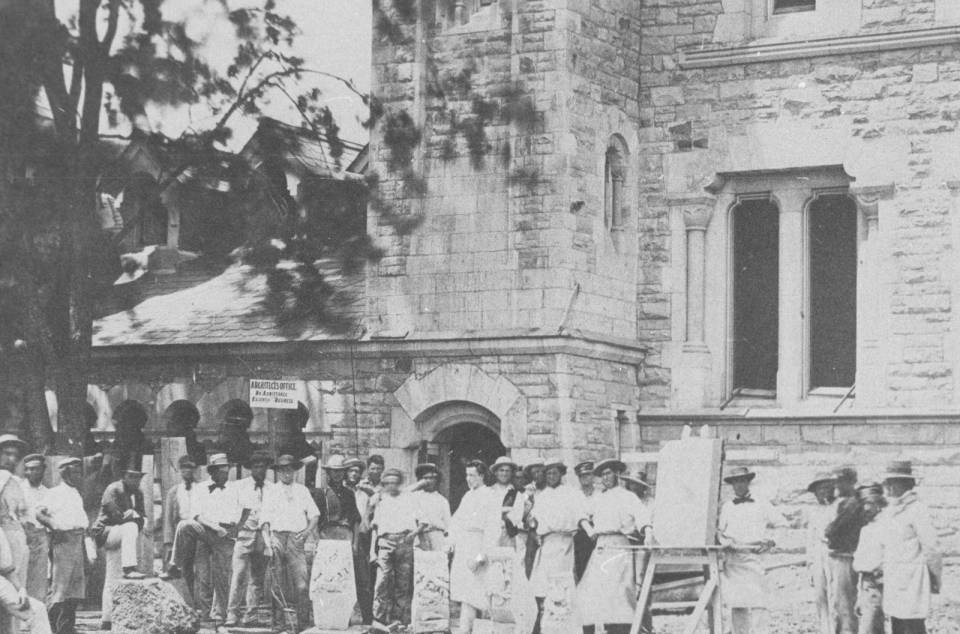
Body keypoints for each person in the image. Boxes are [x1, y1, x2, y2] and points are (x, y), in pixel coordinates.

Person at [577, 458, 652, 634]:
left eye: (608, 473)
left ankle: (623, 630)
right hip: (601, 547)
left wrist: (647, 533)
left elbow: (642, 517)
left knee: (619, 595)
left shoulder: (628, 496)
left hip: (620, 547)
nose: (605, 478)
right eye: (602, 475)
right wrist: (589, 529)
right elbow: (581, 514)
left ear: (617, 474)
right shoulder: (598, 498)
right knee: (589, 592)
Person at [716, 465, 787, 634]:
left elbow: (782, 524)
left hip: (755, 557)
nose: (739, 485)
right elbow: (719, 532)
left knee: (758, 602)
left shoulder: (762, 503)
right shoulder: (727, 507)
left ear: (748, 482)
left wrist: (771, 541)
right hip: (734, 559)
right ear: (732, 485)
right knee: (737, 602)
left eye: (742, 481)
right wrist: (726, 542)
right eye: (735, 482)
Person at [879, 461, 941, 634]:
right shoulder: (890, 511)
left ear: (906, 484)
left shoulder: (918, 510)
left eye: (894, 482)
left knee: (913, 624)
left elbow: (932, 548)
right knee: (897, 622)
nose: (889, 487)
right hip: (893, 576)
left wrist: (935, 577)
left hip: (913, 578)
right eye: (887, 482)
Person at [263, 455, 320, 630]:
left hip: (296, 540)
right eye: (283, 470)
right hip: (277, 538)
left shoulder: (302, 490)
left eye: (289, 470)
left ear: (294, 471)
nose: (286, 473)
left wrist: (306, 533)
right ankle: (278, 624)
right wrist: (267, 544)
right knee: (277, 583)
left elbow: (315, 515)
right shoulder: (271, 491)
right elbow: (265, 521)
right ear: (278, 472)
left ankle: (302, 624)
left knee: (302, 584)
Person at [528, 459, 583, 634]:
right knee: (542, 585)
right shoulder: (542, 495)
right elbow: (534, 519)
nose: (551, 476)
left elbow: (581, 516)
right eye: (549, 473)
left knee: (562, 585)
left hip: (564, 543)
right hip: (547, 543)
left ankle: (564, 626)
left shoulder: (571, 493)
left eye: (555, 473)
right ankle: (544, 625)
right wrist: (533, 523)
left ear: (561, 474)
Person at [225, 451, 275, 628]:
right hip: (244, 534)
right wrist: (236, 528)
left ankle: (251, 614)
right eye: (256, 466)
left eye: (263, 466)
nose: (260, 469)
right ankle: (232, 613)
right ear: (250, 468)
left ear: (267, 468)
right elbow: (231, 509)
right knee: (238, 574)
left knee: (257, 577)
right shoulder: (239, 486)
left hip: (262, 535)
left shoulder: (272, 487)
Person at [93, 468, 147, 629]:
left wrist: (134, 515)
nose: (135, 481)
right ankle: (129, 567)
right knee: (130, 526)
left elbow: (142, 519)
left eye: (138, 477)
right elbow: (116, 516)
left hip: (121, 535)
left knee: (112, 576)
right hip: (106, 533)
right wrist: (132, 515)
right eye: (131, 477)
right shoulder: (113, 489)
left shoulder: (138, 493)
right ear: (124, 476)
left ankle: (107, 619)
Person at [194, 453, 239, 627]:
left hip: (225, 535)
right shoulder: (201, 488)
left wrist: (234, 526)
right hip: (205, 533)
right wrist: (214, 527)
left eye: (227, 470)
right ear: (212, 471)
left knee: (223, 576)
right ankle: (206, 616)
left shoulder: (233, 489)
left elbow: (242, 509)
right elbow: (197, 515)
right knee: (204, 576)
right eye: (222, 470)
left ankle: (221, 614)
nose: (225, 474)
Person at [45, 458, 88, 634]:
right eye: (74, 472)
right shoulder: (55, 493)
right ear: (65, 474)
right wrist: (56, 527)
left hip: (78, 540)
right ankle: (51, 628)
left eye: (79, 472)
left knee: (75, 588)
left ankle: (67, 628)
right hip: (63, 541)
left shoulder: (75, 492)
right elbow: (40, 513)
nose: (78, 476)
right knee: (60, 587)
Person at [371, 468, 416, 631]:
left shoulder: (408, 499)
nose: (391, 485)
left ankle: (399, 621)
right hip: (385, 542)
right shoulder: (381, 501)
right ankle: (379, 620)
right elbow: (375, 528)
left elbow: (420, 521)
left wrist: (411, 536)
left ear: (400, 483)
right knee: (382, 582)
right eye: (388, 482)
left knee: (403, 584)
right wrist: (372, 551)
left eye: (394, 482)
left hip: (404, 542)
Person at [448, 460, 489, 634]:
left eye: (472, 475)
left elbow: (492, 529)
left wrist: (481, 557)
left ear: (482, 475)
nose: (468, 479)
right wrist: (451, 542)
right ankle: (465, 630)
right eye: (467, 475)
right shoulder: (468, 496)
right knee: (466, 593)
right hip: (465, 546)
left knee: (480, 594)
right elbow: (456, 522)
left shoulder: (489, 495)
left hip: (478, 547)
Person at [825, 466, 864, 634]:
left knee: (844, 603)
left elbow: (831, 531)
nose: (837, 485)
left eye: (841, 481)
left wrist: (828, 531)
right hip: (840, 556)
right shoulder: (845, 503)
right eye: (836, 481)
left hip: (846, 557)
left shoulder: (852, 504)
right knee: (839, 602)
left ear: (851, 482)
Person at [162, 455, 204, 599]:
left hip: (199, 532)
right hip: (181, 535)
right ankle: (188, 601)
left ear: (194, 470)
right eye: (184, 468)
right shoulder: (174, 491)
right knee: (184, 569)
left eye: (190, 468)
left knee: (201, 568)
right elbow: (168, 519)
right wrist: (168, 543)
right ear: (180, 470)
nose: (187, 471)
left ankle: (201, 602)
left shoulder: (202, 489)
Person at [852, 483, 886, 634]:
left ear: (879, 504)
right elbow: (861, 567)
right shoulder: (865, 529)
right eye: (863, 504)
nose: (865, 509)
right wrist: (860, 597)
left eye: (869, 503)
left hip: (879, 584)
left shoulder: (887, 526)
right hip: (866, 584)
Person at [805, 472, 836, 634]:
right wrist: (810, 563)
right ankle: (825, 629)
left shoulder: (839, 508)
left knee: (836, 594)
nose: (823, 493)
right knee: (820, 595)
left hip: (834, 554)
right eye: (819, 490)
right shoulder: (813, 512)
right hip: (818, 555)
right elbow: (810, 539)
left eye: (826, 488)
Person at [355, 454, 384, 626]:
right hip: (363, 534)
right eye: (372, 468)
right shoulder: (360, 485)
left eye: (379, 469)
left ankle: (377, 615)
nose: (375, 472)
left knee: (377, 576)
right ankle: (365, 615)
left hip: (379, 534)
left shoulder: (385, 486)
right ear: (368, 469)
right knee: (362, 576)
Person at [20, 454, 52, 604]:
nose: (29, 473)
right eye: (27, 469)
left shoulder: (48, 493)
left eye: (33, 469)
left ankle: (36, 614)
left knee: (40, 577)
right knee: (20, 576)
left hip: (40, 538)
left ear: (43, 470)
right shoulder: (18, 489)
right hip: (21, 537)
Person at [314, 455, 361, 542]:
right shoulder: (321, 493)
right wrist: (316, 541)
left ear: (344, 472)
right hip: (326, 536)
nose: (337, 474)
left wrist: (355, 544)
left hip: (345, 536)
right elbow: (315, 519)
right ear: (329, 472)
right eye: (334, 471)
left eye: (340, 471)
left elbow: (355, 520)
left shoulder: (349, 494)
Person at [410, 463, 450, 551]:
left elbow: (448, 525)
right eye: (425, 478)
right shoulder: (415, 497)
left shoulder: (442, 500)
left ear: (436, 480)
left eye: (432, 478)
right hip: (420, 536)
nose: (428, 481)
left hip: (437, 535)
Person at [571, 461, 595, 582]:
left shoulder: (600, 494)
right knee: (581, 569)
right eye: (582, 476)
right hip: (581, 536)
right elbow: (576, 514)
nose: (585, 478)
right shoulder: (574, 495)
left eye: (588, 475)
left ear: (593, 476)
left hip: (597, 534)